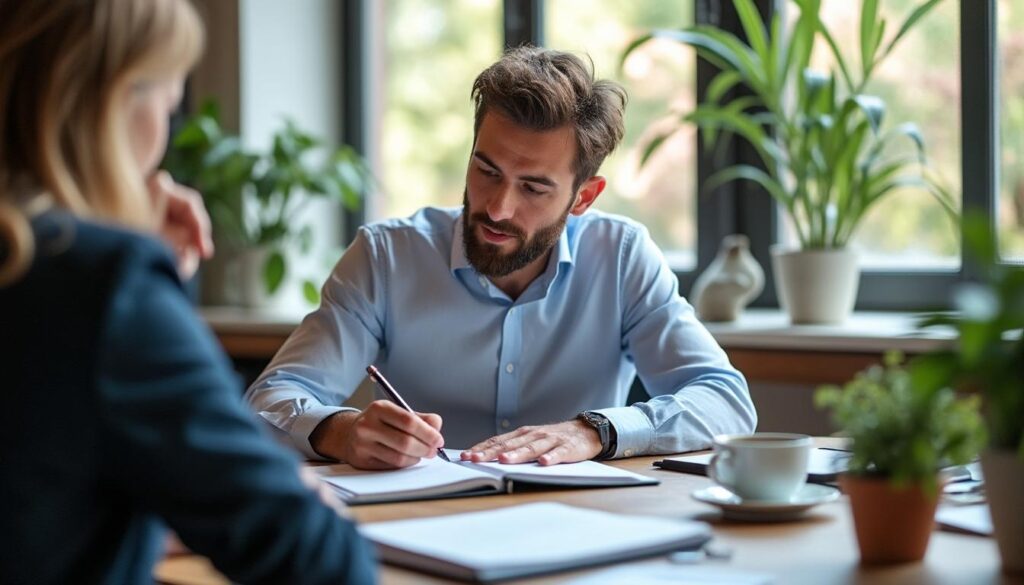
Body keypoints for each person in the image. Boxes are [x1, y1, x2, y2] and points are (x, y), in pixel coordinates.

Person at [0, 1, 375, 583]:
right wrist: (299, 490)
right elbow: (323, 561)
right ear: (116, 102)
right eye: (169, 107)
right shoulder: (103, 285)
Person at [247, 47, 757, 471]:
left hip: (581, 527)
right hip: (424, 520)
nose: (497, 207)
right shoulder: (386, 257)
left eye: (533, 187)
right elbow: (271, 399)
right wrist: (341, 430)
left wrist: (597, 431)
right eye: (486, 170)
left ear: (584, 197)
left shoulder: (622, 257)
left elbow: (725, 401)